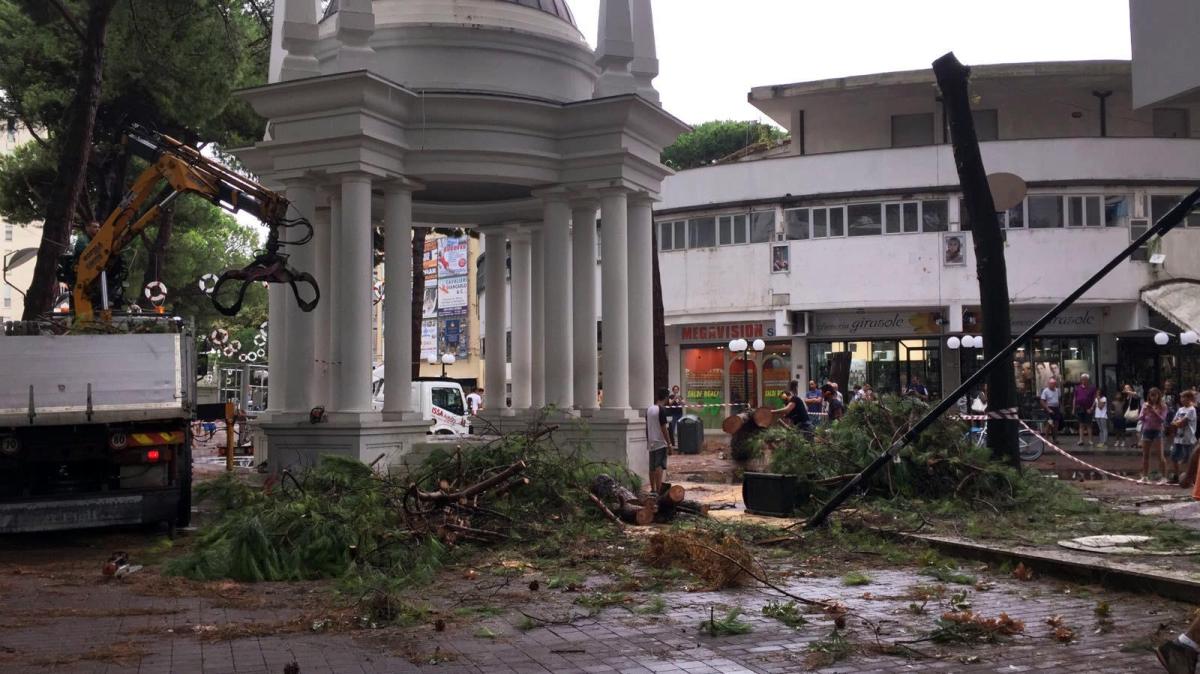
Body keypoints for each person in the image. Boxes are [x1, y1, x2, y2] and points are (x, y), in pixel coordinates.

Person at [1139, 387, 1170, 484]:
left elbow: (1162, 420)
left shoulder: (1163, 406)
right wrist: (1144, 412)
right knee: (1145, 455)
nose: (1153, 397)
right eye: (1151, 395)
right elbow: (1140, 418)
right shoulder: (1145, 405)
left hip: (1157, 431)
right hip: (1147, 430)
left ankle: (1164, 477)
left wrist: (1153, 411)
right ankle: (1145, 477)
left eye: (1155, 395)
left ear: (1158, 396)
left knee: (1160, 455)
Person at [646, 387, 672, 495]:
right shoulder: (661, 410)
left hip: (651, 441)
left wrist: (648, 439)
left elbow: (647, 427)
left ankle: (653, 489)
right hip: (660, 442)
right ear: (665, 398)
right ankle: (659, 489)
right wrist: (669, 443)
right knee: (659, 465)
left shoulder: (649, 409)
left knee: (652, 466)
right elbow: (663, 428)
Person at [1169, 390, 1197, 485]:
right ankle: (1177, 476)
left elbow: (1182, 423)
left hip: (1188, 439)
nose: (1182, 399)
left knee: (1188, 459)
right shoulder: (1180, 409)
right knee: (1174, 457)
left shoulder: (1192, 410)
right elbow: (1173, 422)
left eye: (1184, 397)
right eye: (1181, 398)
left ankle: (1190, 478)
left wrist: (1177, 423)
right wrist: (1177, 423)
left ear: (1190, 399)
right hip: (1178, 438)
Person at [1074, 373, 1097, 446]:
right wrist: (1073, 408)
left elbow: (1095, 399)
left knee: (1089, 424)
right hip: (1080, 407)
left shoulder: (1092, 388)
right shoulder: (1077, 388)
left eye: (1085, 379)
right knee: (1081, 424)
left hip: (1088, 408)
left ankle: (1090, 440)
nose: (1083, 381)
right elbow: (1075, 398)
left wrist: (1092, 408)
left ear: (1088, 380)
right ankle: (1081, 440)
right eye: (1082, 379)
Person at [1039, 378, 1063, 442]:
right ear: (1049, 384)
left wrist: (1060, 408)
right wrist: (1048, 409)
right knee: (1049, 423)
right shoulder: (1045, 391)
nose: (1053, 385)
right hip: (1049, 408)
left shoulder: (1057, 390)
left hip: (1056, 408)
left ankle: (1055, 438)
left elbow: (1059, 399)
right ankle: (1046, 438)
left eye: (1054, 384)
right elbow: (1042, 401)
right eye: (1052, 384)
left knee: (1056, 424)